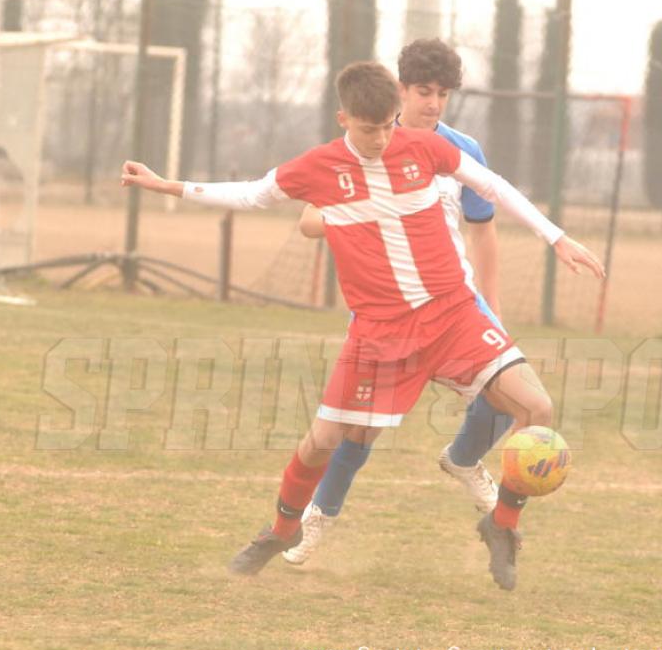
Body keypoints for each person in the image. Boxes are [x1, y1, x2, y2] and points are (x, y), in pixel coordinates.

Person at [121, 61, 604, 591]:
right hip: (381, 333)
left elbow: (493, 187)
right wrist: (166, 186)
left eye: (388, 125)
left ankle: (501, 525)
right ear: (344, 119)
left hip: (452, 315)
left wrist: (556, 237)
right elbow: (252, 194)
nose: (381, 139)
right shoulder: (319, 167)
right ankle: (281, 530)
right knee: (322, 442)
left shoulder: (425, 148)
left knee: (537, 409)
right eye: (369, 128)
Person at [282, 38, 514, 567]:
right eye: (424, 92)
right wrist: (349, 214)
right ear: (401, 90)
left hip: (455, 304)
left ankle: (463, 459)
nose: (433, 104)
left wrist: (493, 307)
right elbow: (309, 219)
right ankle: (316, 521)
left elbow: (483, 229)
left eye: (444, 94)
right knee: (357, 430)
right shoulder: (365, 143)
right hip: (387, 313)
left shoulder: (463, 151)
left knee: (508, 392)